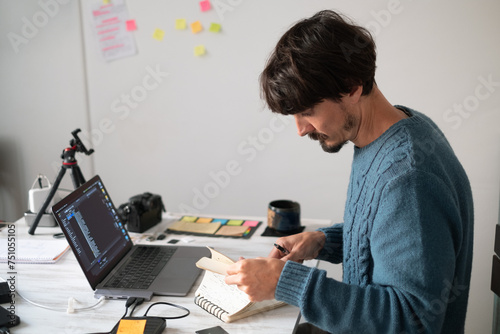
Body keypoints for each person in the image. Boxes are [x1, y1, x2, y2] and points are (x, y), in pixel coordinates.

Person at [224, 10, 474, 334]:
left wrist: (289, 283)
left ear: (352, 87)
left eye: (307, 112)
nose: (300, 130)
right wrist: (323, 241)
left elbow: (414, 320)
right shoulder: (396, 132)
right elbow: (388, 234)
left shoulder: (408, 177)